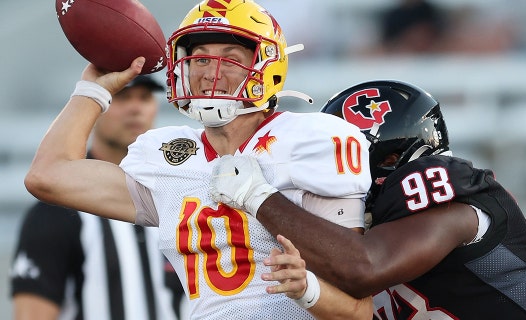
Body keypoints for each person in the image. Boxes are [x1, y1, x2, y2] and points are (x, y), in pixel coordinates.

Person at [23, 0, 373, 319]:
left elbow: (358, 309)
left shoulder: (311, 140)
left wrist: (307, 290)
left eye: (231, 58)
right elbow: (48, 176)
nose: (211, 72)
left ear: (268, 66)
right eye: (201, 57)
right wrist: (93, 89)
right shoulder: (166, 156)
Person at [209, 80, 526, 320]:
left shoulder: (437, 189)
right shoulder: (349, 233)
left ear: (390, 158)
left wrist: (259, 197)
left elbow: (365, 268)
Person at [11, 75, 186, 319]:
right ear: (95, 109)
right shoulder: (56, 210)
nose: (136, 108)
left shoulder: (178, 197)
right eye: (122, 97)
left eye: (145, 98)